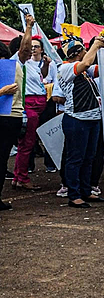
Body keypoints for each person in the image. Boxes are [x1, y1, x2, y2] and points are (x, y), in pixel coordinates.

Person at [58, 37, 104, 208]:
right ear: (77, 54)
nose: (87, 52)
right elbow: (85, 64)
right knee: (76, 158)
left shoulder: (85, 71)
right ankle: (74, 194)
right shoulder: (65, 68)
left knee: (89, 158)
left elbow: (101, 68)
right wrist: (96, 45)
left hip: (93, 119)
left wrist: (103, 51)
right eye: (84, 50)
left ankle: (86, 191)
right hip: (77, 120)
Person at [11, 17, 50, 191]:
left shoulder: (31, 64)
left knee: (28, 143)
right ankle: (22, 178)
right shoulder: (18, 60)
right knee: (26, 144)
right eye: (29, 47)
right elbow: (25, 47)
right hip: (28, 106)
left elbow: (41, 77)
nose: (32, 49)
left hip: (37, 105)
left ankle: (19, 176)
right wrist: (28, 27)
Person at [0, 42, 24, 210]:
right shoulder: (16, 66)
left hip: (6, 116)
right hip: (14, 116)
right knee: (2, 159)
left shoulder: (10, 68)